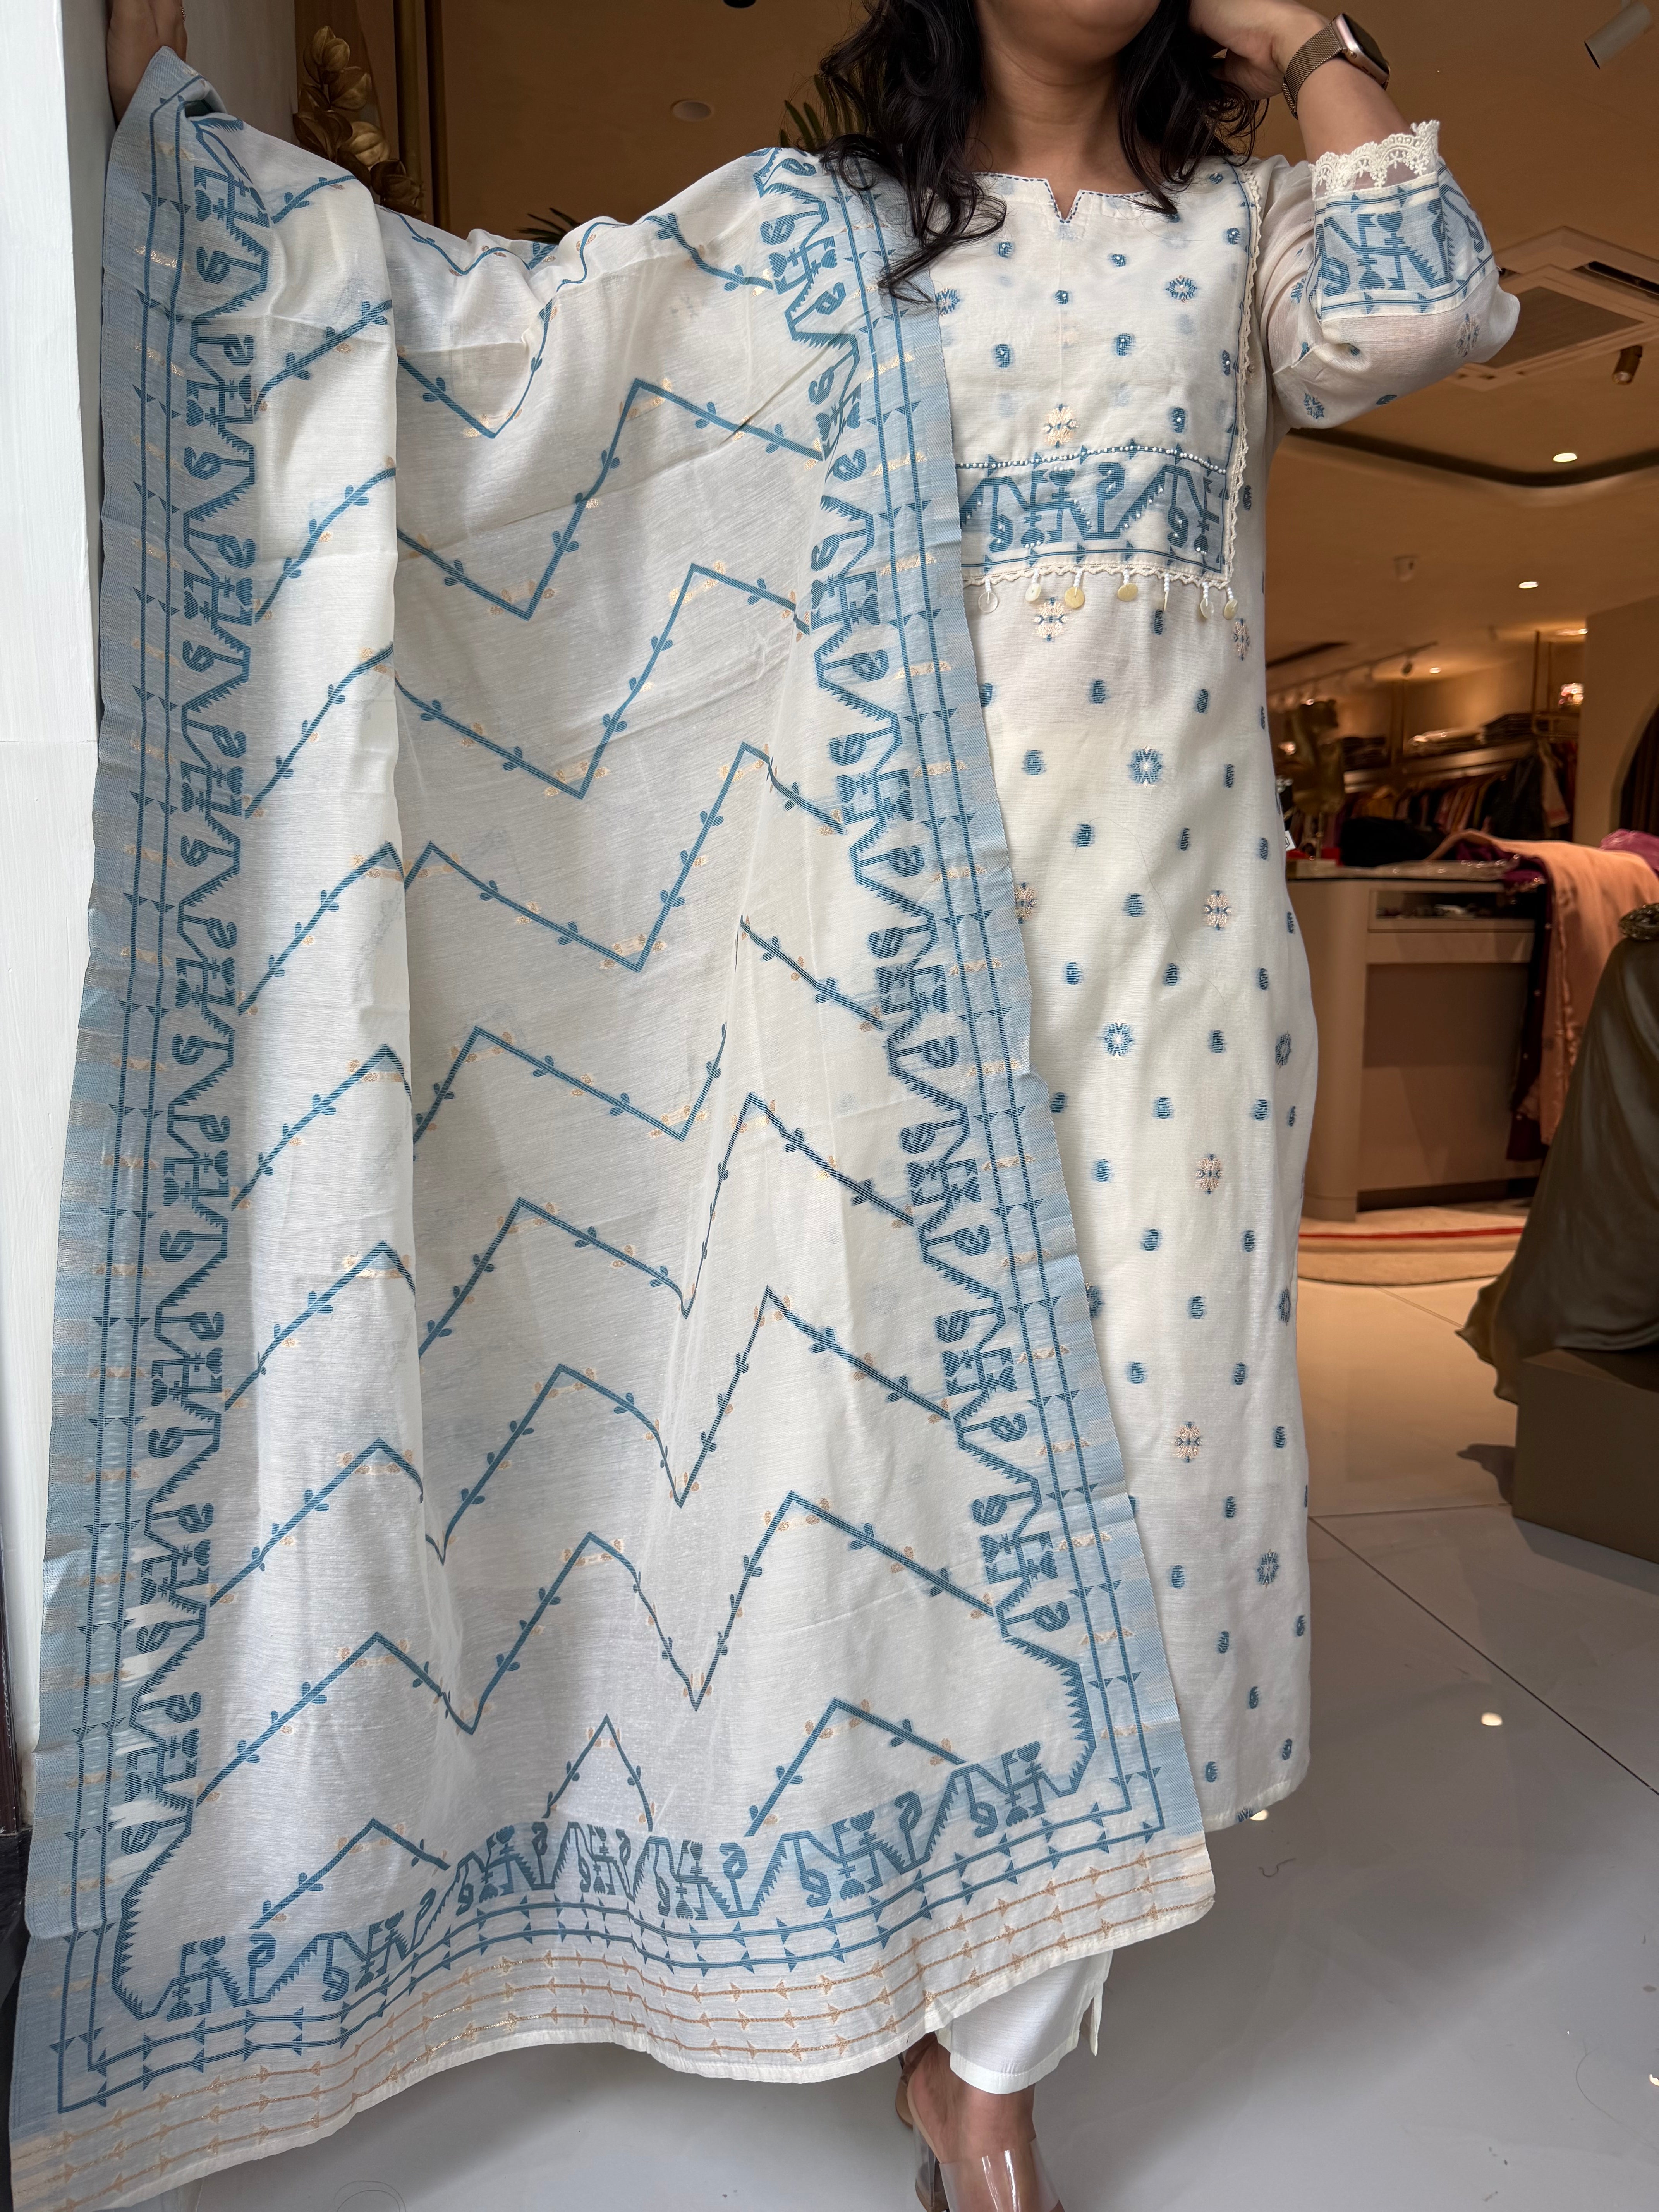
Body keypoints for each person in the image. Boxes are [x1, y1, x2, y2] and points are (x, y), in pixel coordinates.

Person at [100, 6, 1513, 2209]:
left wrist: (1315, 35)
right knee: (891, 1481)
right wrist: (197, 165)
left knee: (1154, 1486)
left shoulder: (1244, 237)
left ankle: (995, 2056)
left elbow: (1420, 310)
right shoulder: (820, 232)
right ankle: (915, 1944)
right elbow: (504, 347)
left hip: (1176, 980)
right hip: (871, 979)